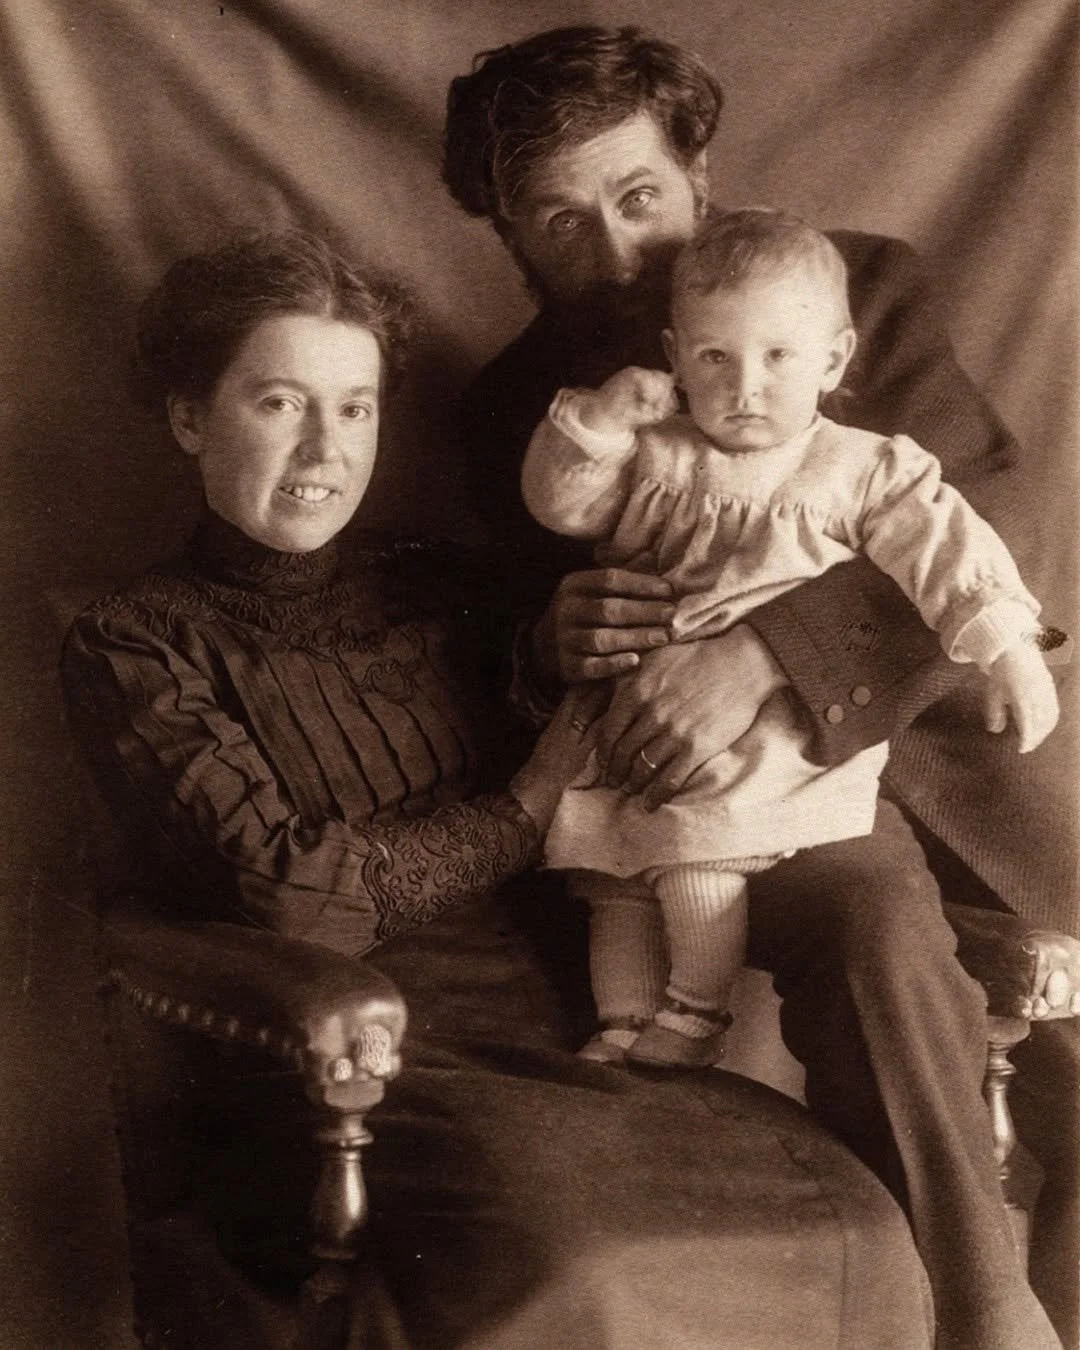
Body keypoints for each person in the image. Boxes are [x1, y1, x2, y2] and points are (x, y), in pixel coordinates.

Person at [62, 229, 942, 1349]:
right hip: (342, 1054)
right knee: (578, 1262)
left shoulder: (435, 580)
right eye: (280, 403)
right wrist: (524, 814)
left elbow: (595, 687)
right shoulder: (136, 642)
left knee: (855, 1224)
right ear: (192, 418)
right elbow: (288, 894)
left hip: (572, 1019)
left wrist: (567, 651)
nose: (324, 449)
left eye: (357, 406)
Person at [443, 25, 1077, 1349]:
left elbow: (978, 530)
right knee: (866, 937)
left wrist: (766, 649)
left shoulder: (855, 296)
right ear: (506, 234)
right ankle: (987, 1309)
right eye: (559, 221)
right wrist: (548, 641)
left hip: (955, 762)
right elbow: (495, 641)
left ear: (700, 172)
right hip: (733, 820)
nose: (615, 254)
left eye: (637, 198)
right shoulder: (524, 407)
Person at [521, 207, 1059, 1070]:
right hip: (644, 716)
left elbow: (953, 550)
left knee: (697, 862)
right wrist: (598, 420)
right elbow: (566, 505)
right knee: (611, 882)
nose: (746, 389)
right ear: (674, 359)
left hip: (775, 731)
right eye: (715, 359)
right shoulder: (661, 453)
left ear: (834, 359)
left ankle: (694, 1014)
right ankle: (621, 1021)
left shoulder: (860, 466)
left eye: (778, 358)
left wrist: (1008, 648)